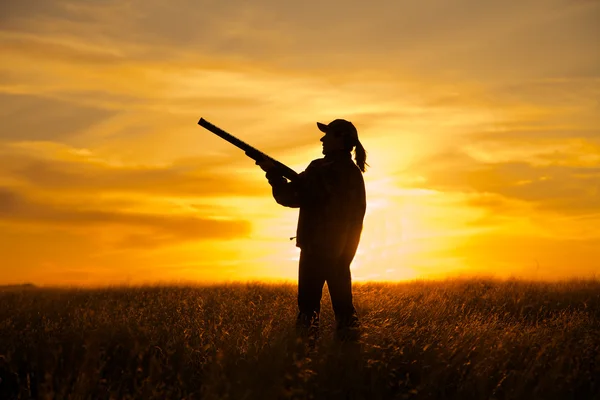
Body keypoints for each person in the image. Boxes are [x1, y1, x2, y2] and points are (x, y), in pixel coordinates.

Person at [254, 119, 368, 337]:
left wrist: (273, 174)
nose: (322, 139)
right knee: (345, 312)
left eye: (329, 135)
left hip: (316, 249)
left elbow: (289, 196)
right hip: (342, 252)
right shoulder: (352, 173)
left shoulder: (322, 169)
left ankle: (305, 359)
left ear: (341, 139)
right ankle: (350, 355)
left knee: (308, 313)